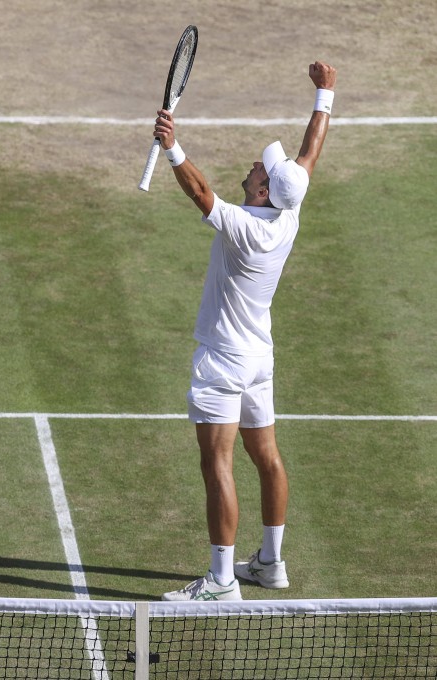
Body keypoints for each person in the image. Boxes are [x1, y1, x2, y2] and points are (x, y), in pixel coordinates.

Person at [158, 61, 337, 601]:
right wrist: (324, 94)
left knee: (218, 464)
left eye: (262, 169)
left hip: (223, 362)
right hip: (259, 359)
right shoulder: (288, 212)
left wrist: (172, 147)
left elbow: (200, 192)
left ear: (262, 191)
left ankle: (221, 581)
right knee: (267, 457)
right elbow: (309, 154)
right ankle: (271, 563)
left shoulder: (242, 226)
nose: (258, 165)